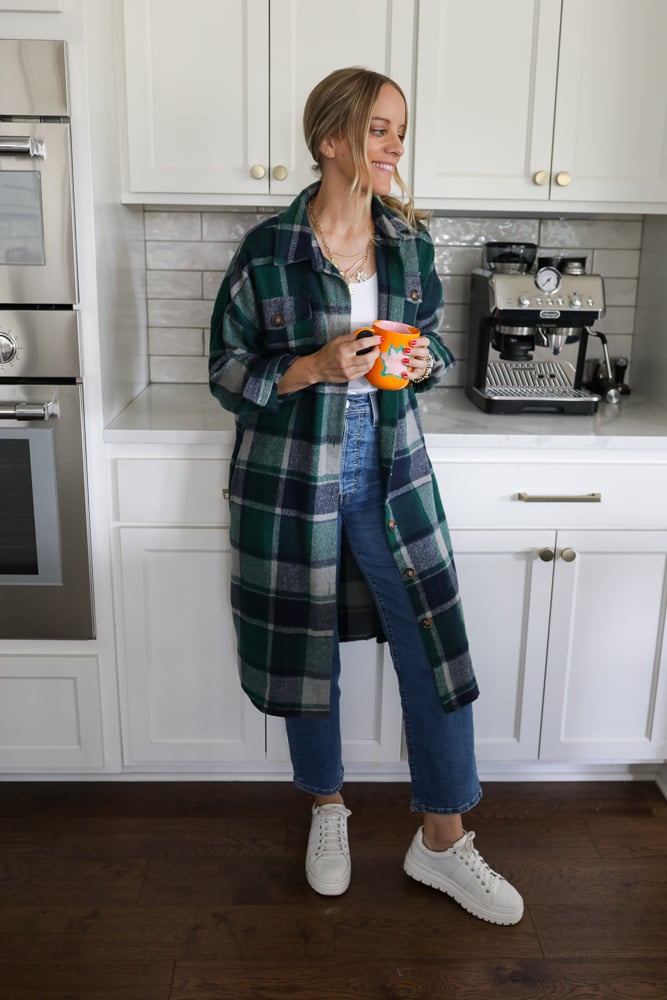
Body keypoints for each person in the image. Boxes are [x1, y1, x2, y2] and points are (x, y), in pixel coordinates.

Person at [209, 67, 523, 926]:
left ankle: (442, 842)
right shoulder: (268, 248)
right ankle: (327, 809)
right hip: (290, 477)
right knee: (308, 652)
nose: (394, 147)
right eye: (379, 131)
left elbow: (432, 351)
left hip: (390, 470)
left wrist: (424, 363)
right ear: (332, 141)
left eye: (398, 132)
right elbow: (228, 372)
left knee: (433, 647)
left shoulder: (410, 244)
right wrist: (309, 366)